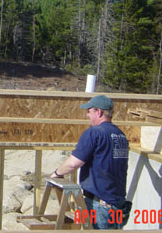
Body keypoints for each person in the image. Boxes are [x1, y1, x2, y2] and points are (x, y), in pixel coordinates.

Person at [50, 95, 130, 229]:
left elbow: (73, 163)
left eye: (89, 111)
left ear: (98, 112)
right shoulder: (120, 135)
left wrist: (57, 173)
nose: (87, 115)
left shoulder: (94, 132)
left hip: (99, 206)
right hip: (117, 205)